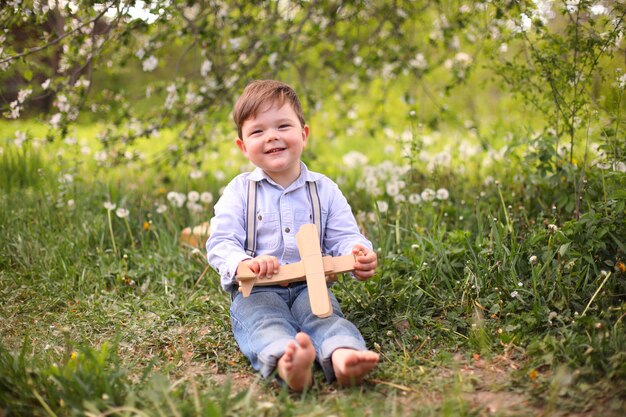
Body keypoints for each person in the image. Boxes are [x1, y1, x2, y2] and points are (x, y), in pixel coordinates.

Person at [206, 80, 379, 391]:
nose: (272, 136)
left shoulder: (324, 190)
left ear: (304, 134)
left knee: (327, 319)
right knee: (264, 324)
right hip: (257, 291)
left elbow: (345, 236)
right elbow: (221, 242)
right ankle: (290, 365)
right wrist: (246, 263)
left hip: (310, 287)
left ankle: (344, 357)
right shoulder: (240, 191)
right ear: (243, 147)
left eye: (283, 126)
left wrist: (358, 253)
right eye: (258, 131)